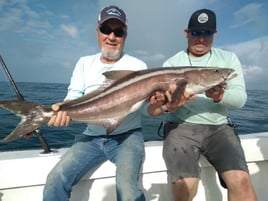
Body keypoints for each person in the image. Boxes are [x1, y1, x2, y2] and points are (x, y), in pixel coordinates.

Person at [147, 8, 257, 201]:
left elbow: (240, 98)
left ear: (214, 34)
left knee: (241, 181)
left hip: (219, 128)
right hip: (180, 127)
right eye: (196, 32)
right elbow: (153, 108)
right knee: (185, 187)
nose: (201, 39)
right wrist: (167, 105)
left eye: (207, 33)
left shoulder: (227, 60)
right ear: (186, 33)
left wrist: (220, 96)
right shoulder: (171, 64)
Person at [43, 5, 147, 201]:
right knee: (55, 179)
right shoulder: (84, 63)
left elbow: (149, 107)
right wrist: (61, 110)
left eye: (119, 32)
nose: (112, 36)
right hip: (90, 137)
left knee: (128, 190)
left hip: (128, 137)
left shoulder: (138, 67)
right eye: (106, 30)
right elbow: (73, 97)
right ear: (97, 32)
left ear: (125, 35)